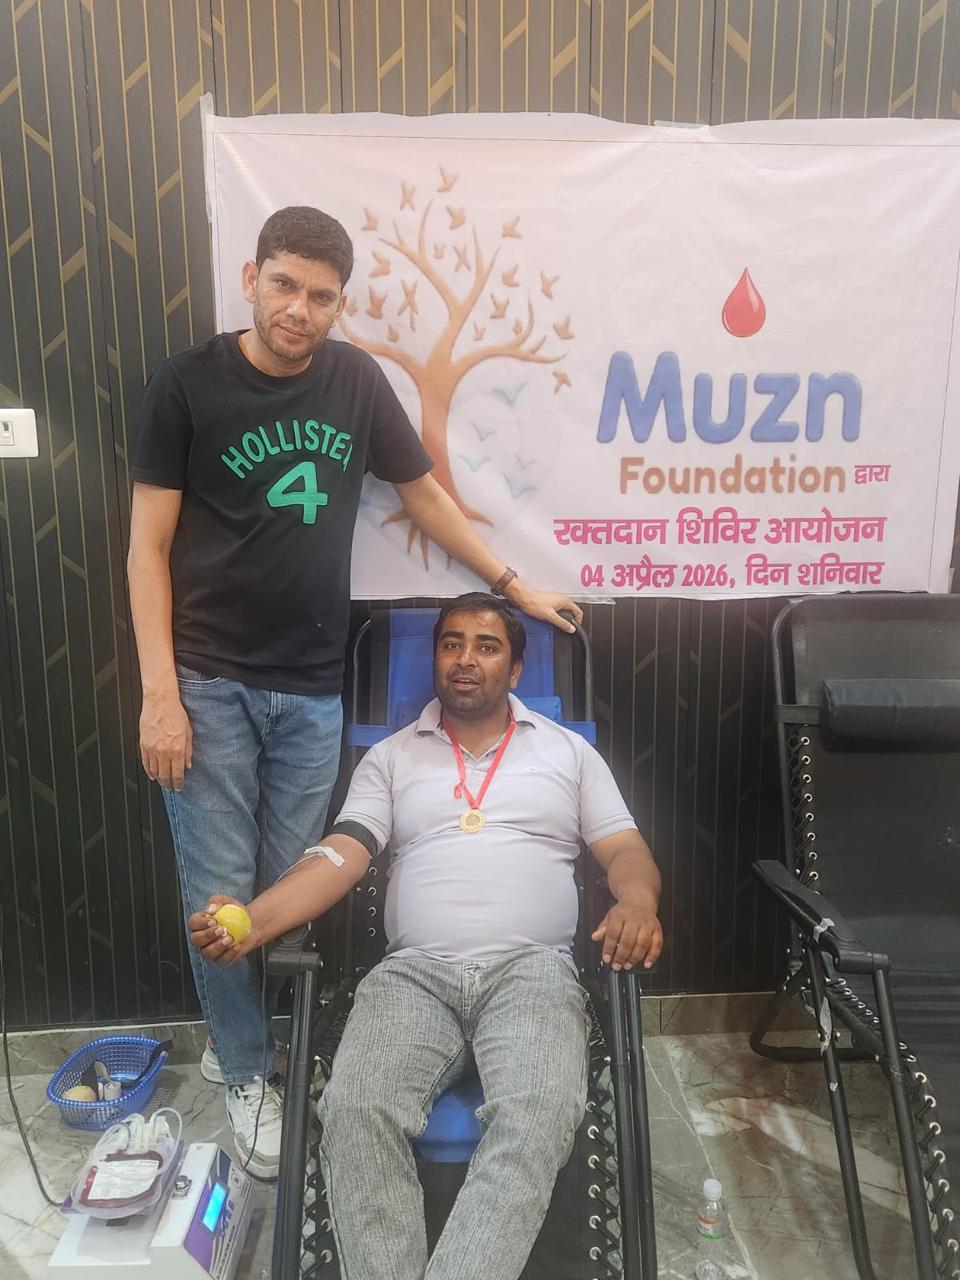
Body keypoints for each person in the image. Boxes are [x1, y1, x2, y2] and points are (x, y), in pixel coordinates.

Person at [126, 206, 582, 1178]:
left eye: (321, 295)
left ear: (340, 303)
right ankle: (247, 1070)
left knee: (287, 887)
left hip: (311, 686)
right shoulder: (186, 384)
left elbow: (423, 493)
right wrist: (159, 693)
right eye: (284, 285)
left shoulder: (355, 380)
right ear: (251, 278)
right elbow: (146, 547)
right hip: (207, 681)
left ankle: (262, 1044)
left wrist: (512, 584)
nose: (299, 309)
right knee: (219, 889)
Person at [189, 592, 663, 1278]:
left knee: (537, 1112)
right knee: (354, 1108)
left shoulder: (569, 753)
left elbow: (625, 851)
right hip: (413, 975)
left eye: (487, 646)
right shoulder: (390, 757)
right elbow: (342, 853)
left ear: (515, 669)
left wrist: (638, 902)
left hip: (532, 971)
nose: (465, 659)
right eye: (451, 643)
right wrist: (254, 922)